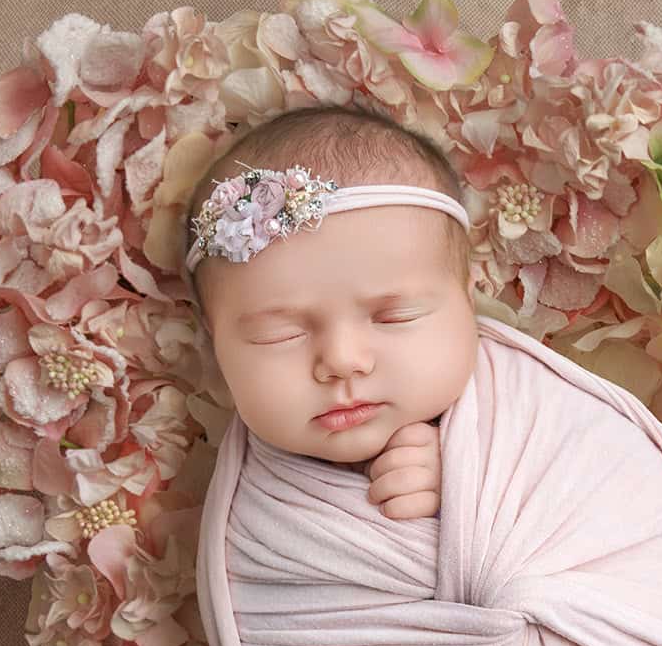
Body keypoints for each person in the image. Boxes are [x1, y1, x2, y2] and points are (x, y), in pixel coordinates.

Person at [181, 103, 481, 520]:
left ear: (470, 299)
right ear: (215, 341)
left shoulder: (525, 419)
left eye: (394, 317)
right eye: (280, 335)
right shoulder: (256, 515)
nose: (341, 361)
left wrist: (470, 475)